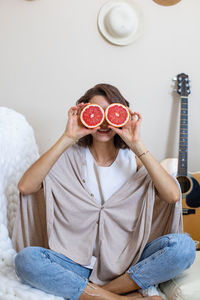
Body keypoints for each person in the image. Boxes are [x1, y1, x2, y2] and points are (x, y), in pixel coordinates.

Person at [12, 83, 196, 300]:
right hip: (76, 264)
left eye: (112, 113)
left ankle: (99, 294)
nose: (104, 123)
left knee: (183, 247)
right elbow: (26, 186)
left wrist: (136, 143)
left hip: (128, 262)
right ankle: (122, 298)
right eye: (96, 113)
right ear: (82, 114)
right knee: (26, 260)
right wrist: (68, 137)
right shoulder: (70, 157)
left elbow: (172, 196)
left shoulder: (134, 159)